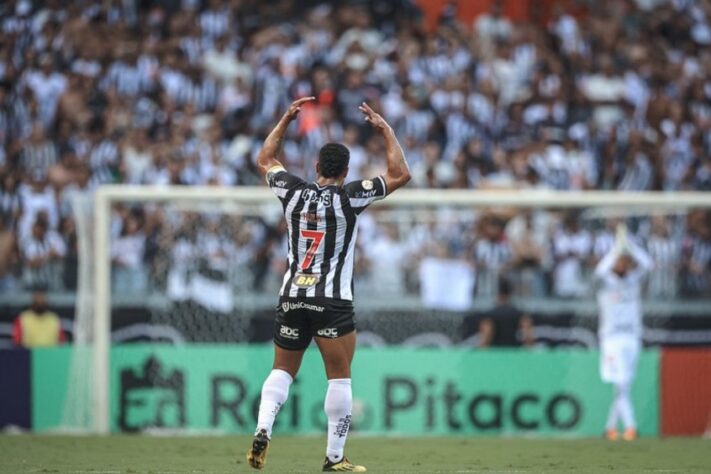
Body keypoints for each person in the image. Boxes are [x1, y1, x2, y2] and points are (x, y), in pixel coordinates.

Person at [246, 97, 410, 472]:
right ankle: (335, 457)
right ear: (347, 170)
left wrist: (286, 118)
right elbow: (400, 174)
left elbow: (265, 160)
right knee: (339, 377)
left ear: (316, 166)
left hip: (291, 296)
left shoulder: (292, 190)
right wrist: (385, 129)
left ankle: (263, 429)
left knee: (282, 370)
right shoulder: (350, 196)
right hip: (332, 299)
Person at [594, 224, 653, 441]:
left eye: (624, 260)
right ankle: (631, 426)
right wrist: (616, 248)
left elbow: (649, 265)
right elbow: (600, 270)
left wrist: (630, 245)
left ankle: (610, 428)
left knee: (624, 386)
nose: (621, 263)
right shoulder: (607, 283)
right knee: (620, 385)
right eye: (619, 261)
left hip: (632, 338)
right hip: (612, 339)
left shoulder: (633, 282)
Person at [476, 278, 533, 348]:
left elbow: (487, 334)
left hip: (495, 353)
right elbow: (527, 335)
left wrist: (481, 351)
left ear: (497, 295)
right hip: (514, 352)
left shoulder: (490, 314)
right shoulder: (518, 313)